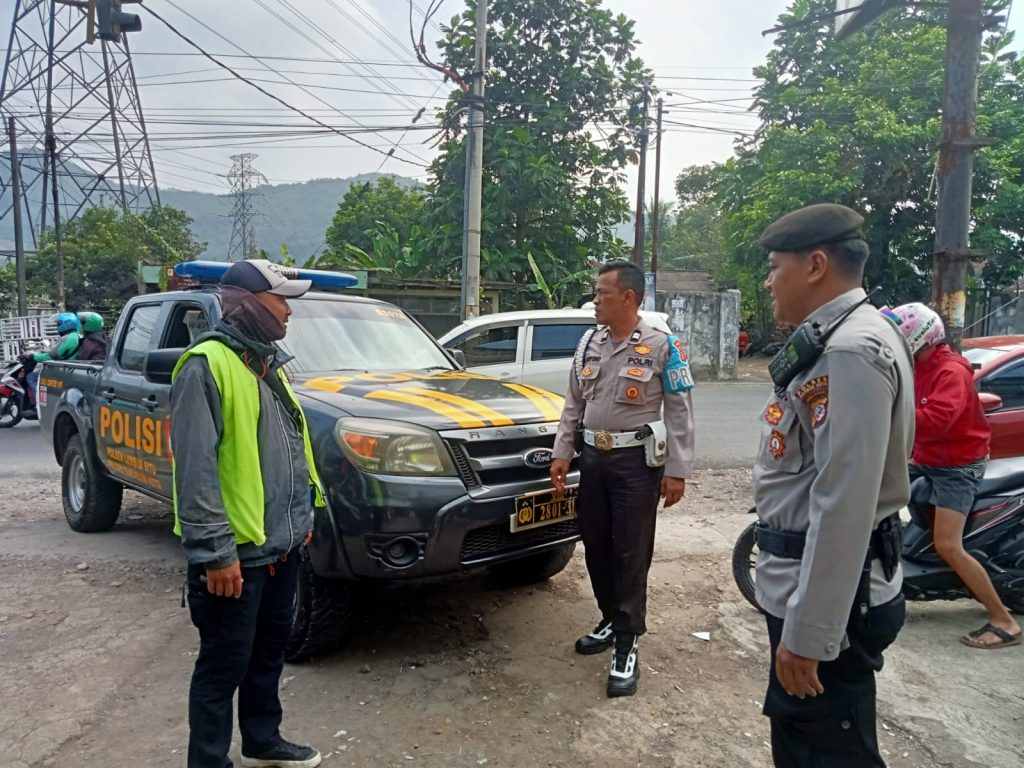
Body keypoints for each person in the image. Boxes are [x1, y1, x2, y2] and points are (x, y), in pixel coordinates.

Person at [754, 204, 914, 767]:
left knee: (826, 752)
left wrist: (810, 632)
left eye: (776, 266)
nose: (769, 280)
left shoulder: (848, 350)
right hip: (819, 587)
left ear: (816, 265)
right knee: (810, 744)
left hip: (832, 600)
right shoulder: (845, 334)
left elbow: (843, 501)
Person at [171, 259, 324, 768]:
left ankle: (263, 738)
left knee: (266, 657)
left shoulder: (264, 365)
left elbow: (291, 450)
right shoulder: (205, 365)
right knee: (222, 668)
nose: (288, 312)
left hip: (278, 549)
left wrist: (301, 520)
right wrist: (216, 554)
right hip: (233, 557)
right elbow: (195, 473)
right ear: (247, 303)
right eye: (281, 300)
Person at [549, 260, 695, 698]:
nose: (595, 301)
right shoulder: (588, 343)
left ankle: (627, 644)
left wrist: (677, 471)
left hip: (637, 467)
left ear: (628, 298)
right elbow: (573, 404)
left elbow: (681, 412)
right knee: (595, 545)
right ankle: (611, 618)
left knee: (631, 553)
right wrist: (562, 452)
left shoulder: (663, 345)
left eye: (602, 293)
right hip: (593, 460)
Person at [888, 302, 1021, 650]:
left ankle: (1002, 619)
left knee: (949, 544)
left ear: (920, 341)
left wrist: (889, 413)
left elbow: (936, 420)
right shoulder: (917, 365)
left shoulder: (951, 372)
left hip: (956, 468)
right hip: (929, 458)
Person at [22, 311, 82, 412]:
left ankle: (39, 404)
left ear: (66, 324)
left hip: (64, 371)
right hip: (70, 368)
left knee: (31, 377)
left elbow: (51, 355)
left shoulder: (68, 338)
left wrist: (33, 356)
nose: (57, 326)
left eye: (58, 324)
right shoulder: (77, 336)